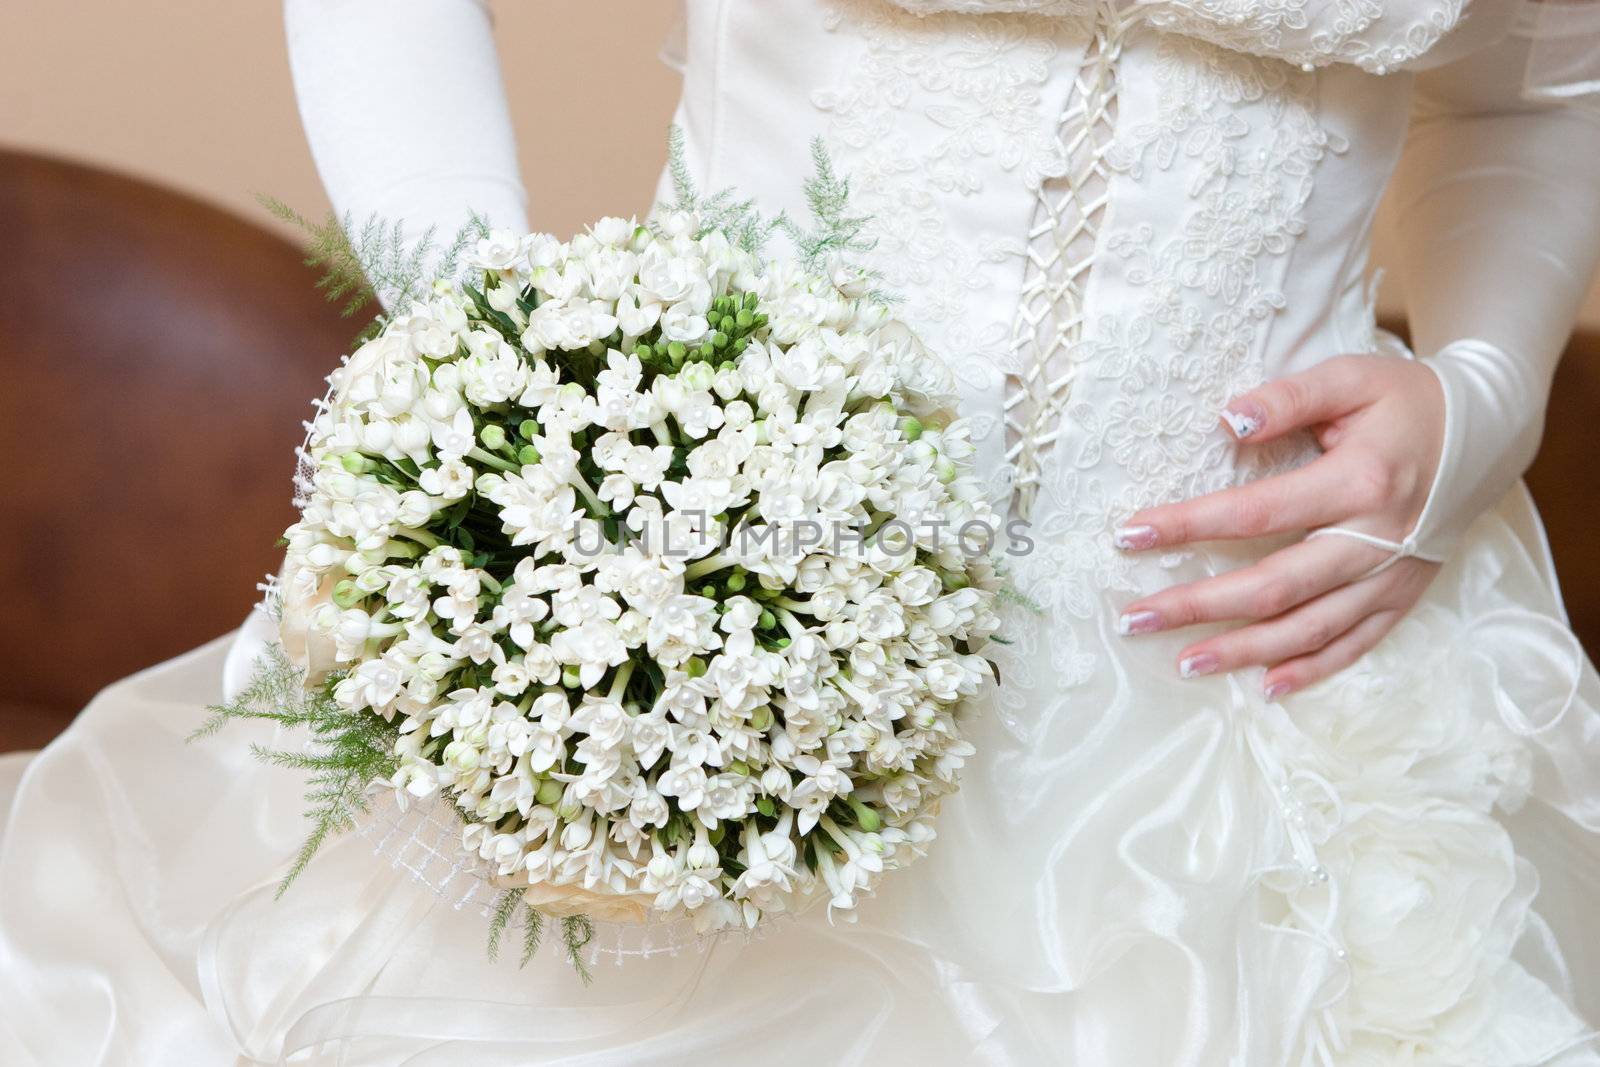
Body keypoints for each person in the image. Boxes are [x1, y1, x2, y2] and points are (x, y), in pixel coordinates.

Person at [3, 0, 1599, 1062]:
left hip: (1272, 688)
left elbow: (1539, 90)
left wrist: (1482, 392)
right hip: (681, 624)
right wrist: (519, 381)